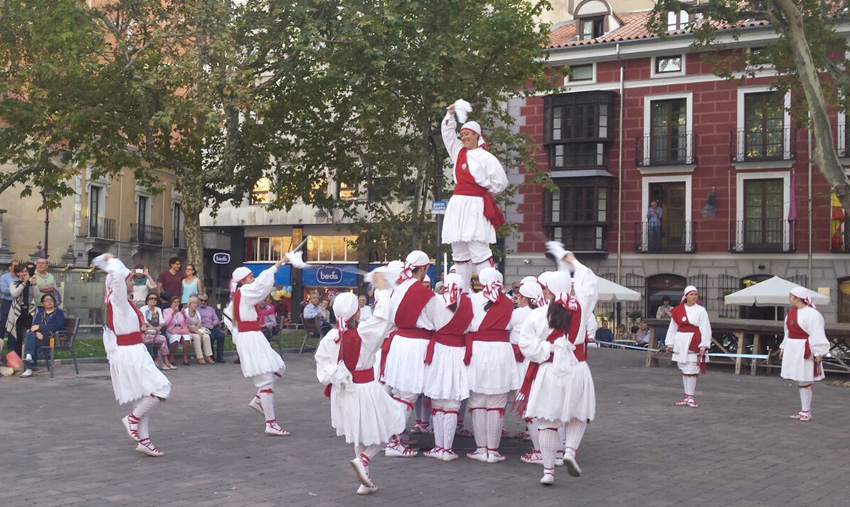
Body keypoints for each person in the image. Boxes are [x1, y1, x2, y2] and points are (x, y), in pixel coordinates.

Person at [516, 252, 598, 486]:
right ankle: (570, 450)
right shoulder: (581, 306)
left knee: (547, 422)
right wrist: (574, 262)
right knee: (578, 414)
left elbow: (526, 345)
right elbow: (589, 282)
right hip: (577, 369)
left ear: (548, 290)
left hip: (550, 371)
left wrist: (547, 349)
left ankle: (548, 471)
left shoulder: (538, 314)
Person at [315, 291, 405, 496]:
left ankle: (365, 481)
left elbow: (323, 368)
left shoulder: (330, 336)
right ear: (356, 312)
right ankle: (363, 460)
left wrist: (335, 376)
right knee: (388, 426)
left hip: (343, 391)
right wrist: (383, 289)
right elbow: (383, 319)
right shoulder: (364, 332)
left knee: (358, 433)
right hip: (365, 388)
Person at [93, 253, 171, 457]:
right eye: (129, 280)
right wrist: (112, 262)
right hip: (131, 352)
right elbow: (117, 277)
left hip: (132, 349)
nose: (131, 282)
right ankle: (132, 420)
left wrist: (143, 328)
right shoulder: (117, 298)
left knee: (145, 394)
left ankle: (144, 440)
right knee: (162, 388)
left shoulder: (120, 302)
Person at [224, 252, 301, 437]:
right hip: (251, 338)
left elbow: (228, 317)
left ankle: (259, 399)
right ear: (243, 280)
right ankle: (271, 423)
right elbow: (262, 285)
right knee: (266, 378)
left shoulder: (239, 295)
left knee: (279, 367)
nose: (253, 279)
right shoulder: (244, 292)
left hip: (252, 336)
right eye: (250, 276)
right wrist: (279, 263)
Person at [441, 102, 509, 294]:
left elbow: (501, 182)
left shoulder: (486, 157)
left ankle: (492, 290)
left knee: (479, 249)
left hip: (475, 204)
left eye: (467, 134)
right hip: (458, 205)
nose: (463, 137)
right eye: (462, 134)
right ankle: (461, 292)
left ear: (477, 135)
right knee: (459, 251)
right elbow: (447, 134)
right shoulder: (458, 152)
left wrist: (483, 193)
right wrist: (450, 114)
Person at [379, 250, 435, 457]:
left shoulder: (397, 289)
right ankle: (394, 442)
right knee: (408, 395)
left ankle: (393, 437)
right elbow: (436, 320)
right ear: (424, 269)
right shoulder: (422, 293)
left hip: (399, 342)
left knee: (399, 394)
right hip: (415, 344)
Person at [465, 267, 518, 464]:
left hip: (478, 349)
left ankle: (481, 448)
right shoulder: (507, 302)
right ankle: (493, 451)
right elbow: (512, 325)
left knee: (477, 400)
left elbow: (466, 324)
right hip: (501, 350)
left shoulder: (473, 299)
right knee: (496, 402)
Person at [422, 273, 473, 462]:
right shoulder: (468, 303)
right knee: (452, 401)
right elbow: (472, 326)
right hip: (458, 351)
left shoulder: (435, 301)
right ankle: (447, 448)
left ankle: (439, 446)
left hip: (440, 350)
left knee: (438, 400)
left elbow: (427, 320)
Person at [780, 287, 830, 422]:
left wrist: (818, 351)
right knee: (801, 379)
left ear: (797, 298)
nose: (789, 298)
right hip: (793, 348)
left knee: (805, 379)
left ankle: (806, 411)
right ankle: (804, 410)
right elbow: (787, 332)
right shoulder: (790, 314)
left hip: (805, 348)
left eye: (790, 296)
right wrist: (784, 347)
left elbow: (817, 333)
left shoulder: (812, 314)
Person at [665, 286, 711, 408]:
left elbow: (705, 328)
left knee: (691, 369)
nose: (694, 296)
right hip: (681, 341)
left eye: (696, 294)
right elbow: (673, 327)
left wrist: (704, 345)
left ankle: (691, 396)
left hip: (694, 340)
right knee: (684, 369)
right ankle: (686, 396)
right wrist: (670, 343)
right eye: (691, 294)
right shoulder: (678, 310)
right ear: (686, 296)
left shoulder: (701, 310)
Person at [19, 293, 66, 377]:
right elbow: (34, 327)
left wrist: (40, 329)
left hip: (52, 337)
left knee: (30, 340)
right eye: (46, 300)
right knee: (31, 335)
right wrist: (37, 333)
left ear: (54, 302)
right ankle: (29, 360)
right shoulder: (40, 313)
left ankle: (29, 367)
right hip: (38, 337)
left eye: (51, 300)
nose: (49, 302)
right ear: (42, 303)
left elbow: (58, 326)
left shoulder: (58, 313)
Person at [5, 263, 36, 359]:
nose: (24, 273)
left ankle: (30, 359)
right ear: (18, 274)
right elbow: (15, 294)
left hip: (30, 311)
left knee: (30, 336)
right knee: (17, 337)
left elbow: (37, 295)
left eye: (26, 271)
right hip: (18, 312)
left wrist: (34, 284)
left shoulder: (31, 283)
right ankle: (18, 360)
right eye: (22, 272)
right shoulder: (14, 283)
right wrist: (23, 283)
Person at [141, 293, 174, 370]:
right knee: (162, 339)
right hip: (146, 332)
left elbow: (161, 321)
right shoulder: (143, 309)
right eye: (151, 298)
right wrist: (155, 329)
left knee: (163, 338)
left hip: (155, 332)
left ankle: (165, 361)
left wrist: (159, 328)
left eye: (155, 299)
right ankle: (161, 362)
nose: (153, 300)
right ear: (147, 300)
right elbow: (145, 322)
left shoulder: (158, 309)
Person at [163, 296, 195, 366]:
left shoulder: (181, 312)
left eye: (178, 302)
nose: (176, 304)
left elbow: (189, 322)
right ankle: (171, 357)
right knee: (175, 338)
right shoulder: (166, 311)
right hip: (171, 330)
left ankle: (185, 358)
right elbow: (165, 323)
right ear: (171, 304)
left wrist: (185, 315)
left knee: (186, 338)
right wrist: (172, 314)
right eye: (175, 302)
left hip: (181, 330)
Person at [184, 297, 214, 365]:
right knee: (197, 337)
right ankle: (200, 357)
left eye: (196, 303)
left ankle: (208, 356)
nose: (195, 305)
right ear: (190, 304)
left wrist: (197, 330)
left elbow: (199, 324)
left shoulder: (197, 312)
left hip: (197, 329)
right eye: (194, 303)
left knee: (206, 336)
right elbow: (187, 325)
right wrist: (196, 331)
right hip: (188, 330)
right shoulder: (186, 312)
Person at [197, 294, 226, 363]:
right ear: (198, 300)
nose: (203, 302)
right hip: (203, 328)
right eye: (201, 300)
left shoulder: (210, 309)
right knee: (211, 337)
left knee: (221, 335)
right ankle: (211, 355)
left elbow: (216, 319)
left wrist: (213, 324)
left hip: (212, 327)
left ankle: (220, 357)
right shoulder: (196, 309)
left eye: (205, 300)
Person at [1, 261, 18, 352]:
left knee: (14, 324)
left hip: (17, 303)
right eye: (15, 266)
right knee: (3, 323)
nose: (16, 268)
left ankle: (11, 346)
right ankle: (1, 343)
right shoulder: (4, 277)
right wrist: (16, 290)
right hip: (7, 302)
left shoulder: (20, 277)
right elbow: (4, 290)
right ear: (10, 267)